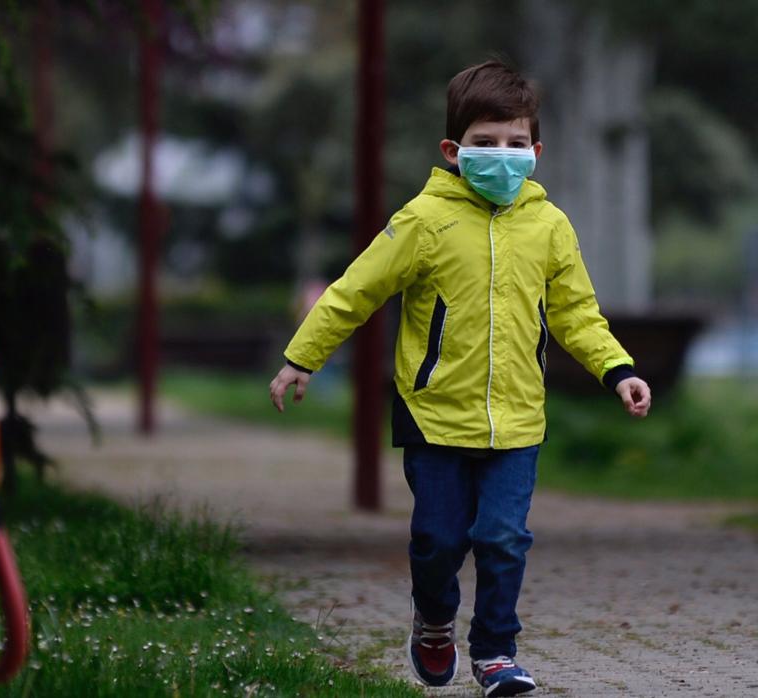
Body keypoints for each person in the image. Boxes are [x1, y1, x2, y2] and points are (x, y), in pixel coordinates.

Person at [267, 60, 652, 697]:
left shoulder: (549, 226)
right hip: (433, 414)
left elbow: (576, 313)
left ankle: (497, 651)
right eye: (484, 143)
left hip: (518, 417)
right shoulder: (422, 221)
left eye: (514, 143)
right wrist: (301, 358)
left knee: (503, 538)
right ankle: (435, 620)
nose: (501, 155)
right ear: (453, 150)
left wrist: (618, 371)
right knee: (438, 539)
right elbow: (353, 293)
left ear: (535, 150)